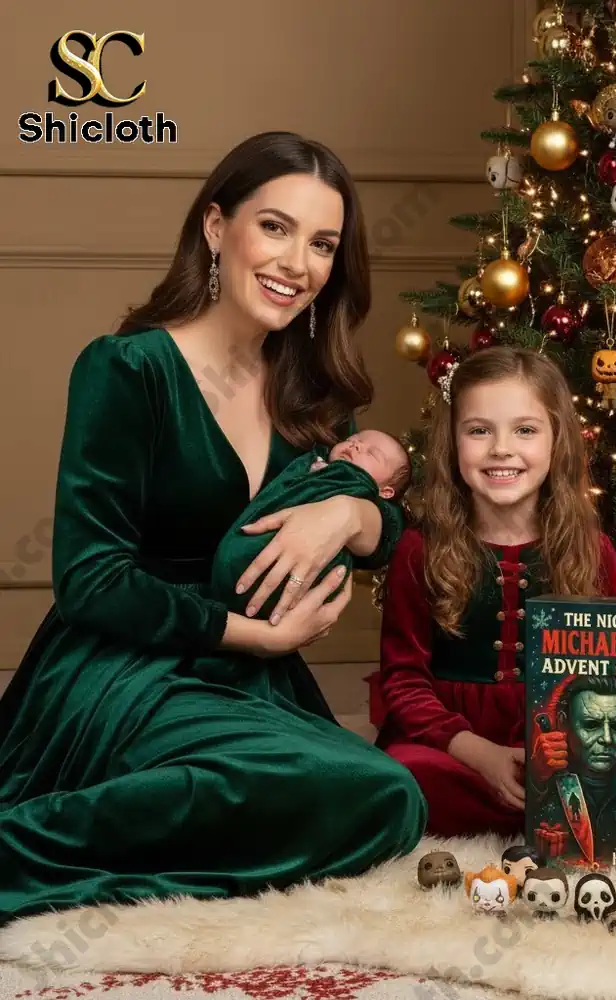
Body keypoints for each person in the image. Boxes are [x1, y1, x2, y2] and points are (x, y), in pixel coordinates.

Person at [0, 131, 427, 927]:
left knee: (389, 803)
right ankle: (18, 843)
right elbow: (90, 578)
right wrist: (252, 635)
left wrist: (355, 511)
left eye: (323, 244)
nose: (298, 263)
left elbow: (390, 529)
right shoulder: (127, 370)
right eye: (275, 227)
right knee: (349, 790)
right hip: (129, 664)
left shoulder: (315, 391)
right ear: (214, 228)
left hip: (252, 682)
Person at [375, 346, 616, 837]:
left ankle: (544, 805)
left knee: (612, 782)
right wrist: (479, 753)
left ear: (558, 442)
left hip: (552, 743)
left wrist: (555, 753)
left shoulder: (592, 550)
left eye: (525, 430)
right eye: (479, 430)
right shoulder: (417, 549)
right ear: (452, 443)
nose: (501, 449)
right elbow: (402, 681)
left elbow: (605, 678)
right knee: (399, 779)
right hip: (445, 742)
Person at [212, 429, 412, 620]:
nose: (356, 445)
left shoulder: (353, 485)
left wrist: (351, 513)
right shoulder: (313, 461)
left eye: (372, 453)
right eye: (353, 439)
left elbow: (393, 528)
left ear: (385, 492)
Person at [528, 673, 616, 862]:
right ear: (563, 722)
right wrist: (536, 776)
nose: (607, 739)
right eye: (591, 725)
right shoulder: (543, 779)